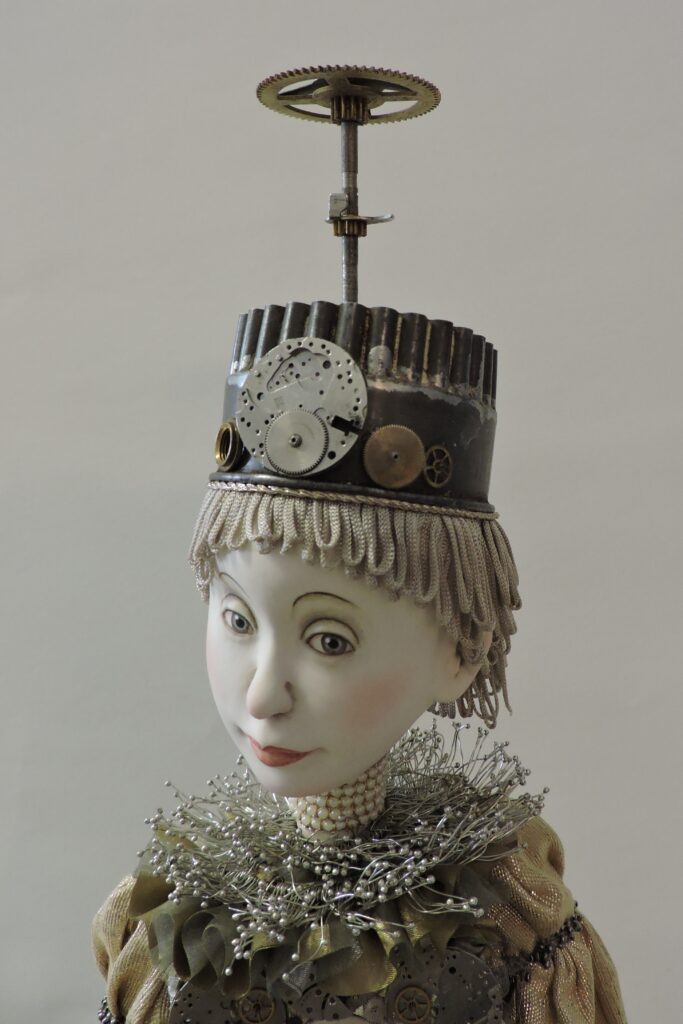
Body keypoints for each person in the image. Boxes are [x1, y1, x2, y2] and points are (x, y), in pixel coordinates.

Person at [92, 303, 627, 1024]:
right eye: (238, 620)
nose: (263, 696)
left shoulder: (509, 916)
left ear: (461, 653)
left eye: (330, 642)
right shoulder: (169, 919)